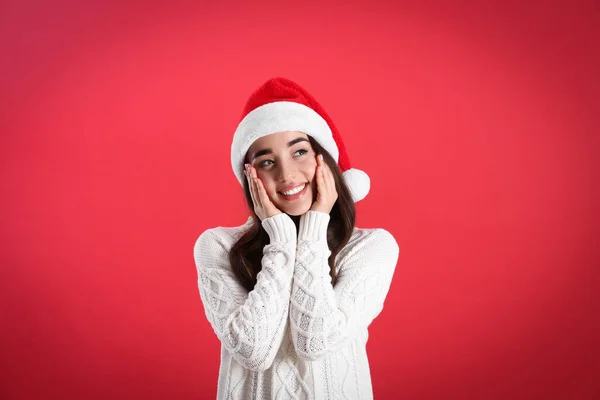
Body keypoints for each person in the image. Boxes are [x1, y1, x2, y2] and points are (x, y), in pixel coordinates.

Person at [193, 77, 400, 400]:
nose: (286, 175)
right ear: (250, 176)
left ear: (326, 161)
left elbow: (314, 342)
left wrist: (314, 226)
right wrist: (281, 240)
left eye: (300, 151)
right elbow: (253, 350)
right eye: (266, 161)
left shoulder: (371, 247)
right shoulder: (217, 246)